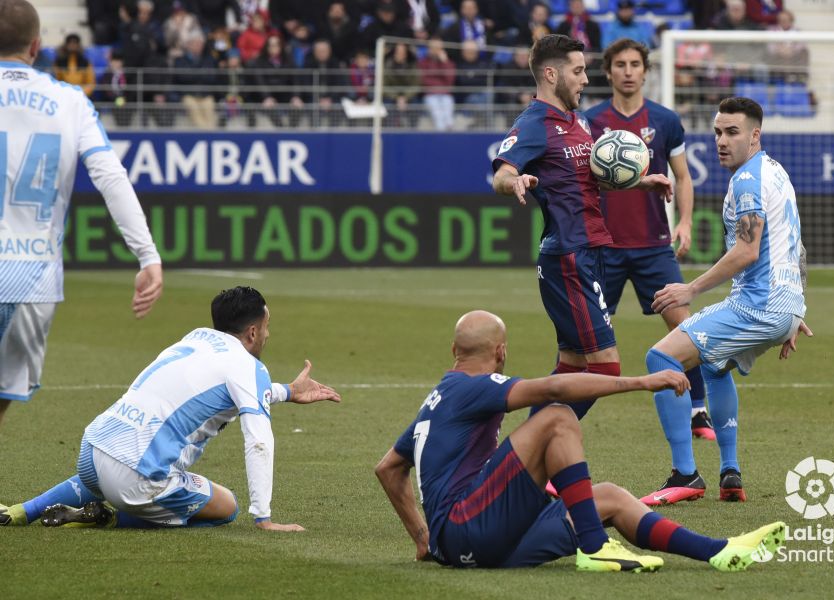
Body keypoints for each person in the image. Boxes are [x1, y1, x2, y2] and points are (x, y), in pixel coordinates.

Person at [375, 310, 786, 571]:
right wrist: (642, 382)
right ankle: (594, 546)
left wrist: (424, 540)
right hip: (471, 528)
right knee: (556, 417)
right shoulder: (474, 387)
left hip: (470, 543)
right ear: (500, 352)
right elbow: (553, 388)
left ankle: (718, 550)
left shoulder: (439, 397)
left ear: (453, 349)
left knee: (606, 497)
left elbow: (389, 468)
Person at [0, 286, 341, 530]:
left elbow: (234, 387)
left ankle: (19, 512)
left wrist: (287, 391)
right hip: (136, 479)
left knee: (117, 457)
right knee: (227, 507)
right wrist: (263, 517)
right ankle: (110, 517)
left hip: (91, 451)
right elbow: (259, 441)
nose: (268, 335)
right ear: (253, 331)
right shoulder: (248, 367)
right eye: (267, 327)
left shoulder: (196, 338)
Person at [639, 97, 812, 506]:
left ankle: (685, 475)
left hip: (758, 305)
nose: (721, 140)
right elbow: (796, 247)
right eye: (717, 131)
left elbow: (747, 251)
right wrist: (795, 311)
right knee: (714, 366)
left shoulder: (748, 179)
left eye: (732, 132)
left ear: (755, 136)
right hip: (782, 306)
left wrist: (689, 290)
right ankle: (729, 472)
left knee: (660, 359)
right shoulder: (776, 171)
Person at [492, 34, 672, 421]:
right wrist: (516, 181)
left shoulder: (580, 121)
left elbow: (590, 178)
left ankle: (530, 459)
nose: (586, 79)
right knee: (606, 367)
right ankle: (533, 451)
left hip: (590, 250)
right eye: (578, 71)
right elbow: (502, 174)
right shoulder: (534, 123)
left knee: (573, 365)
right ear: (552, 73)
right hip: (568, 256)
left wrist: (642, 181)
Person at [0, 0, 163, 427]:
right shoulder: (70, 100)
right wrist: (147, 256)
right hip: (32, 277)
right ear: (37, 46)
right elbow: (112, 177)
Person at [582, 39, 715, 443]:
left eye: (634, 64)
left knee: (684, 327)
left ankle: (698, 409)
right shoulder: (589, 122)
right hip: (603, 245)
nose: (627, 71)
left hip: (655, 244)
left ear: (645, 71)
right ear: (608, 72)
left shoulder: (666, 120)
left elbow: (684, 176)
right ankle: (567, 412)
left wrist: (686, 222)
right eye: (619, 64)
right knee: (584, 335)